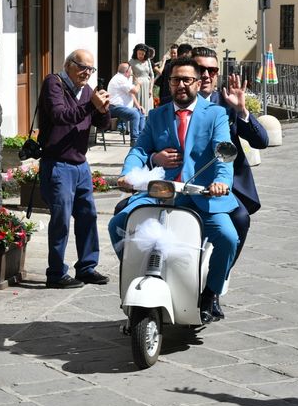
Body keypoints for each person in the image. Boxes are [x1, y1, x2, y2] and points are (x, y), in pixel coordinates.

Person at [108, 57, 239, 324]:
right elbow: (139, 150)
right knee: (118, 225)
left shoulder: (216, 114)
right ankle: (139, 275)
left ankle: (211, 293)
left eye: (187, 80)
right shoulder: (156, 115)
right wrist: (131, 172)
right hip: (160, 194)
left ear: (198, 82)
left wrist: (220, 183)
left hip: (201, 195)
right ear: (169, 83)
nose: (181, 85)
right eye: (175, 79)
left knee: (227, 237)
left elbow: (223, 155)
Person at [185, 46, 269, 319]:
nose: (207, 75)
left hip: (225, 188)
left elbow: (261, 142)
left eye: (213, 70)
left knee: (240, 220)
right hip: (189, 185)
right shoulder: (179, 99)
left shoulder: (228, 103)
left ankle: (214, 289)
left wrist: (242, 110)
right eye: (202, 69)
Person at [37, 49, 111, 288]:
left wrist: (103, 108)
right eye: (82, 67)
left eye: (91, 69)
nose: (86, 73)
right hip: (58, 164)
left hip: (80, 165)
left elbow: (102, 124)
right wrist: (91, 106)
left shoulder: (87, 91)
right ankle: (56, 273)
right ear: (68, 64)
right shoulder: (54, 83)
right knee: (61, 220)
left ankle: (87, 267)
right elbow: (60, 115)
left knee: (88, 216)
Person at [107, 63, 146, 146]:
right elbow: (135, 90)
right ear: (127, 71)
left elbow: (131, 93)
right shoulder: (120, 79)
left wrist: (138, 106)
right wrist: (139, 84)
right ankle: (134, 140)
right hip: (114, 107)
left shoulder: (124, 79)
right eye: (130, 70)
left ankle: (142, 137)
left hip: (122, 108)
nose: (132, 71)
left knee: (140, 112)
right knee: (134, 114)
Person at [129, 44, 154, 115]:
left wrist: (151, 89)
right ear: (136, 52)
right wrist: (135, 80)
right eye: (139, 53)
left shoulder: (148, 60)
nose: (141, 55)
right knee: (138, 108)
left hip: (147, 86)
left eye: (143, 54)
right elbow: (128, 74)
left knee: (148, 108)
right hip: (138, 86)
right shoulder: (132, 61)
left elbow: (152, 75)